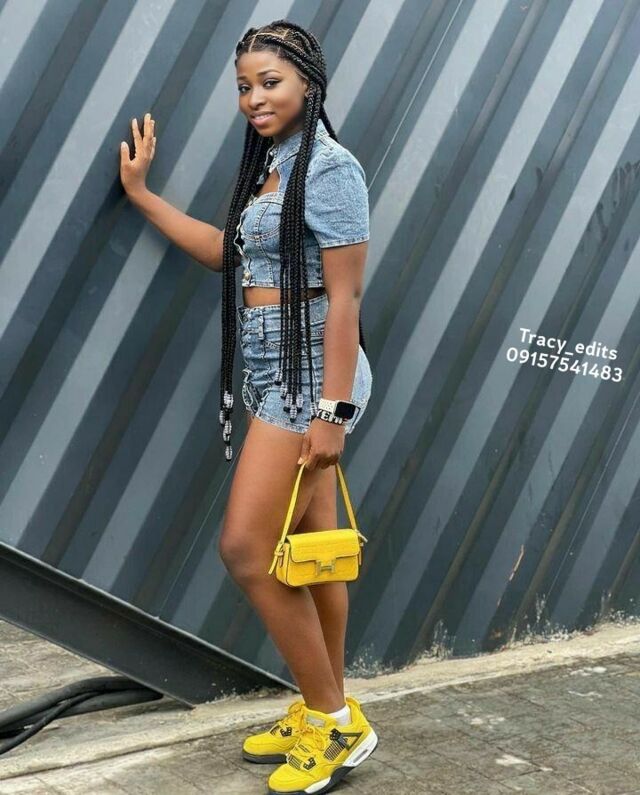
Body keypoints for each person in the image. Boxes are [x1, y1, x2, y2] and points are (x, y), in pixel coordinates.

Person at [120, 18, 376, 795]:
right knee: (314, 549)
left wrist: (331, 410)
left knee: (244, 547)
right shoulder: (270, 167)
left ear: (309, 83)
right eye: (243, 86)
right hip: (270, 370)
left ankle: (332, 722)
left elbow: (345, 299)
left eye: (270, 82)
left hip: (310, 376)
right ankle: (331, 706)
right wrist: (142, 196)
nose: (254, 98)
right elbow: (223, 254)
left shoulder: (330, 168)